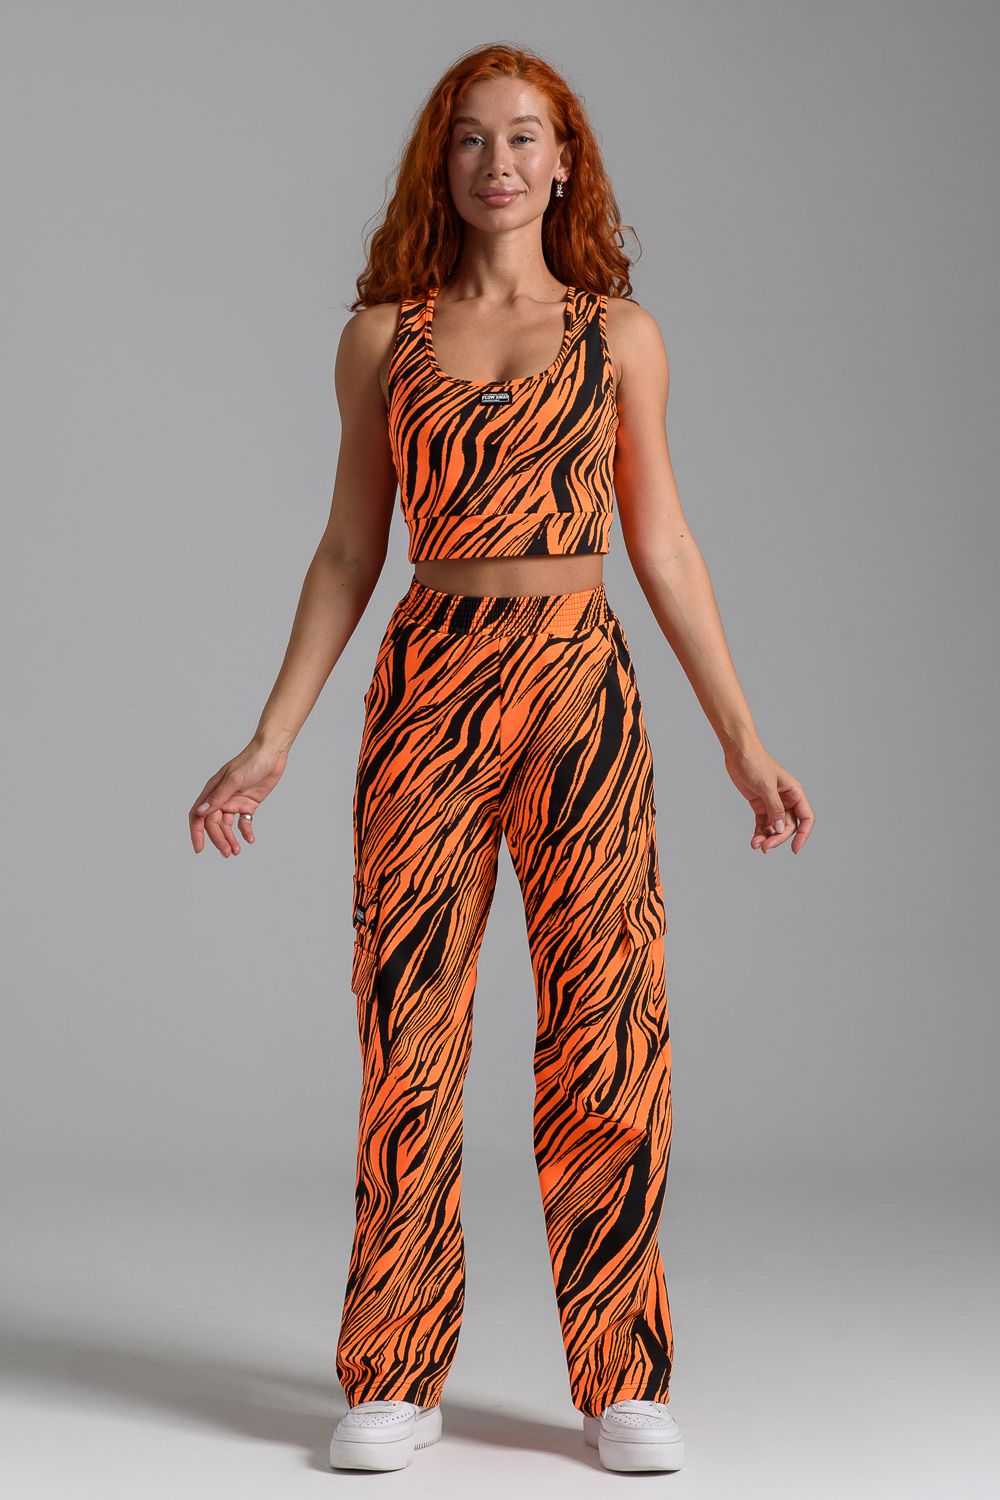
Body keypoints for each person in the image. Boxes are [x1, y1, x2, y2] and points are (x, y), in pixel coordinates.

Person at [188, 42, 814, 1476]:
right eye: (471, 139)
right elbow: (348, 550)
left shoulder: (620, 336)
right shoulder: (382, 339)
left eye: (526, 137)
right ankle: (395, 1371)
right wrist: (272, 739)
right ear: (443, 163)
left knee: (609, 1024)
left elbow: (663, 542)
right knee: (407, 1028)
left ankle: (624, 1377)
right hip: (429, 686)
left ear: (565, 162)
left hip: (579, 685)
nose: (499, 163)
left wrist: (741, 738)